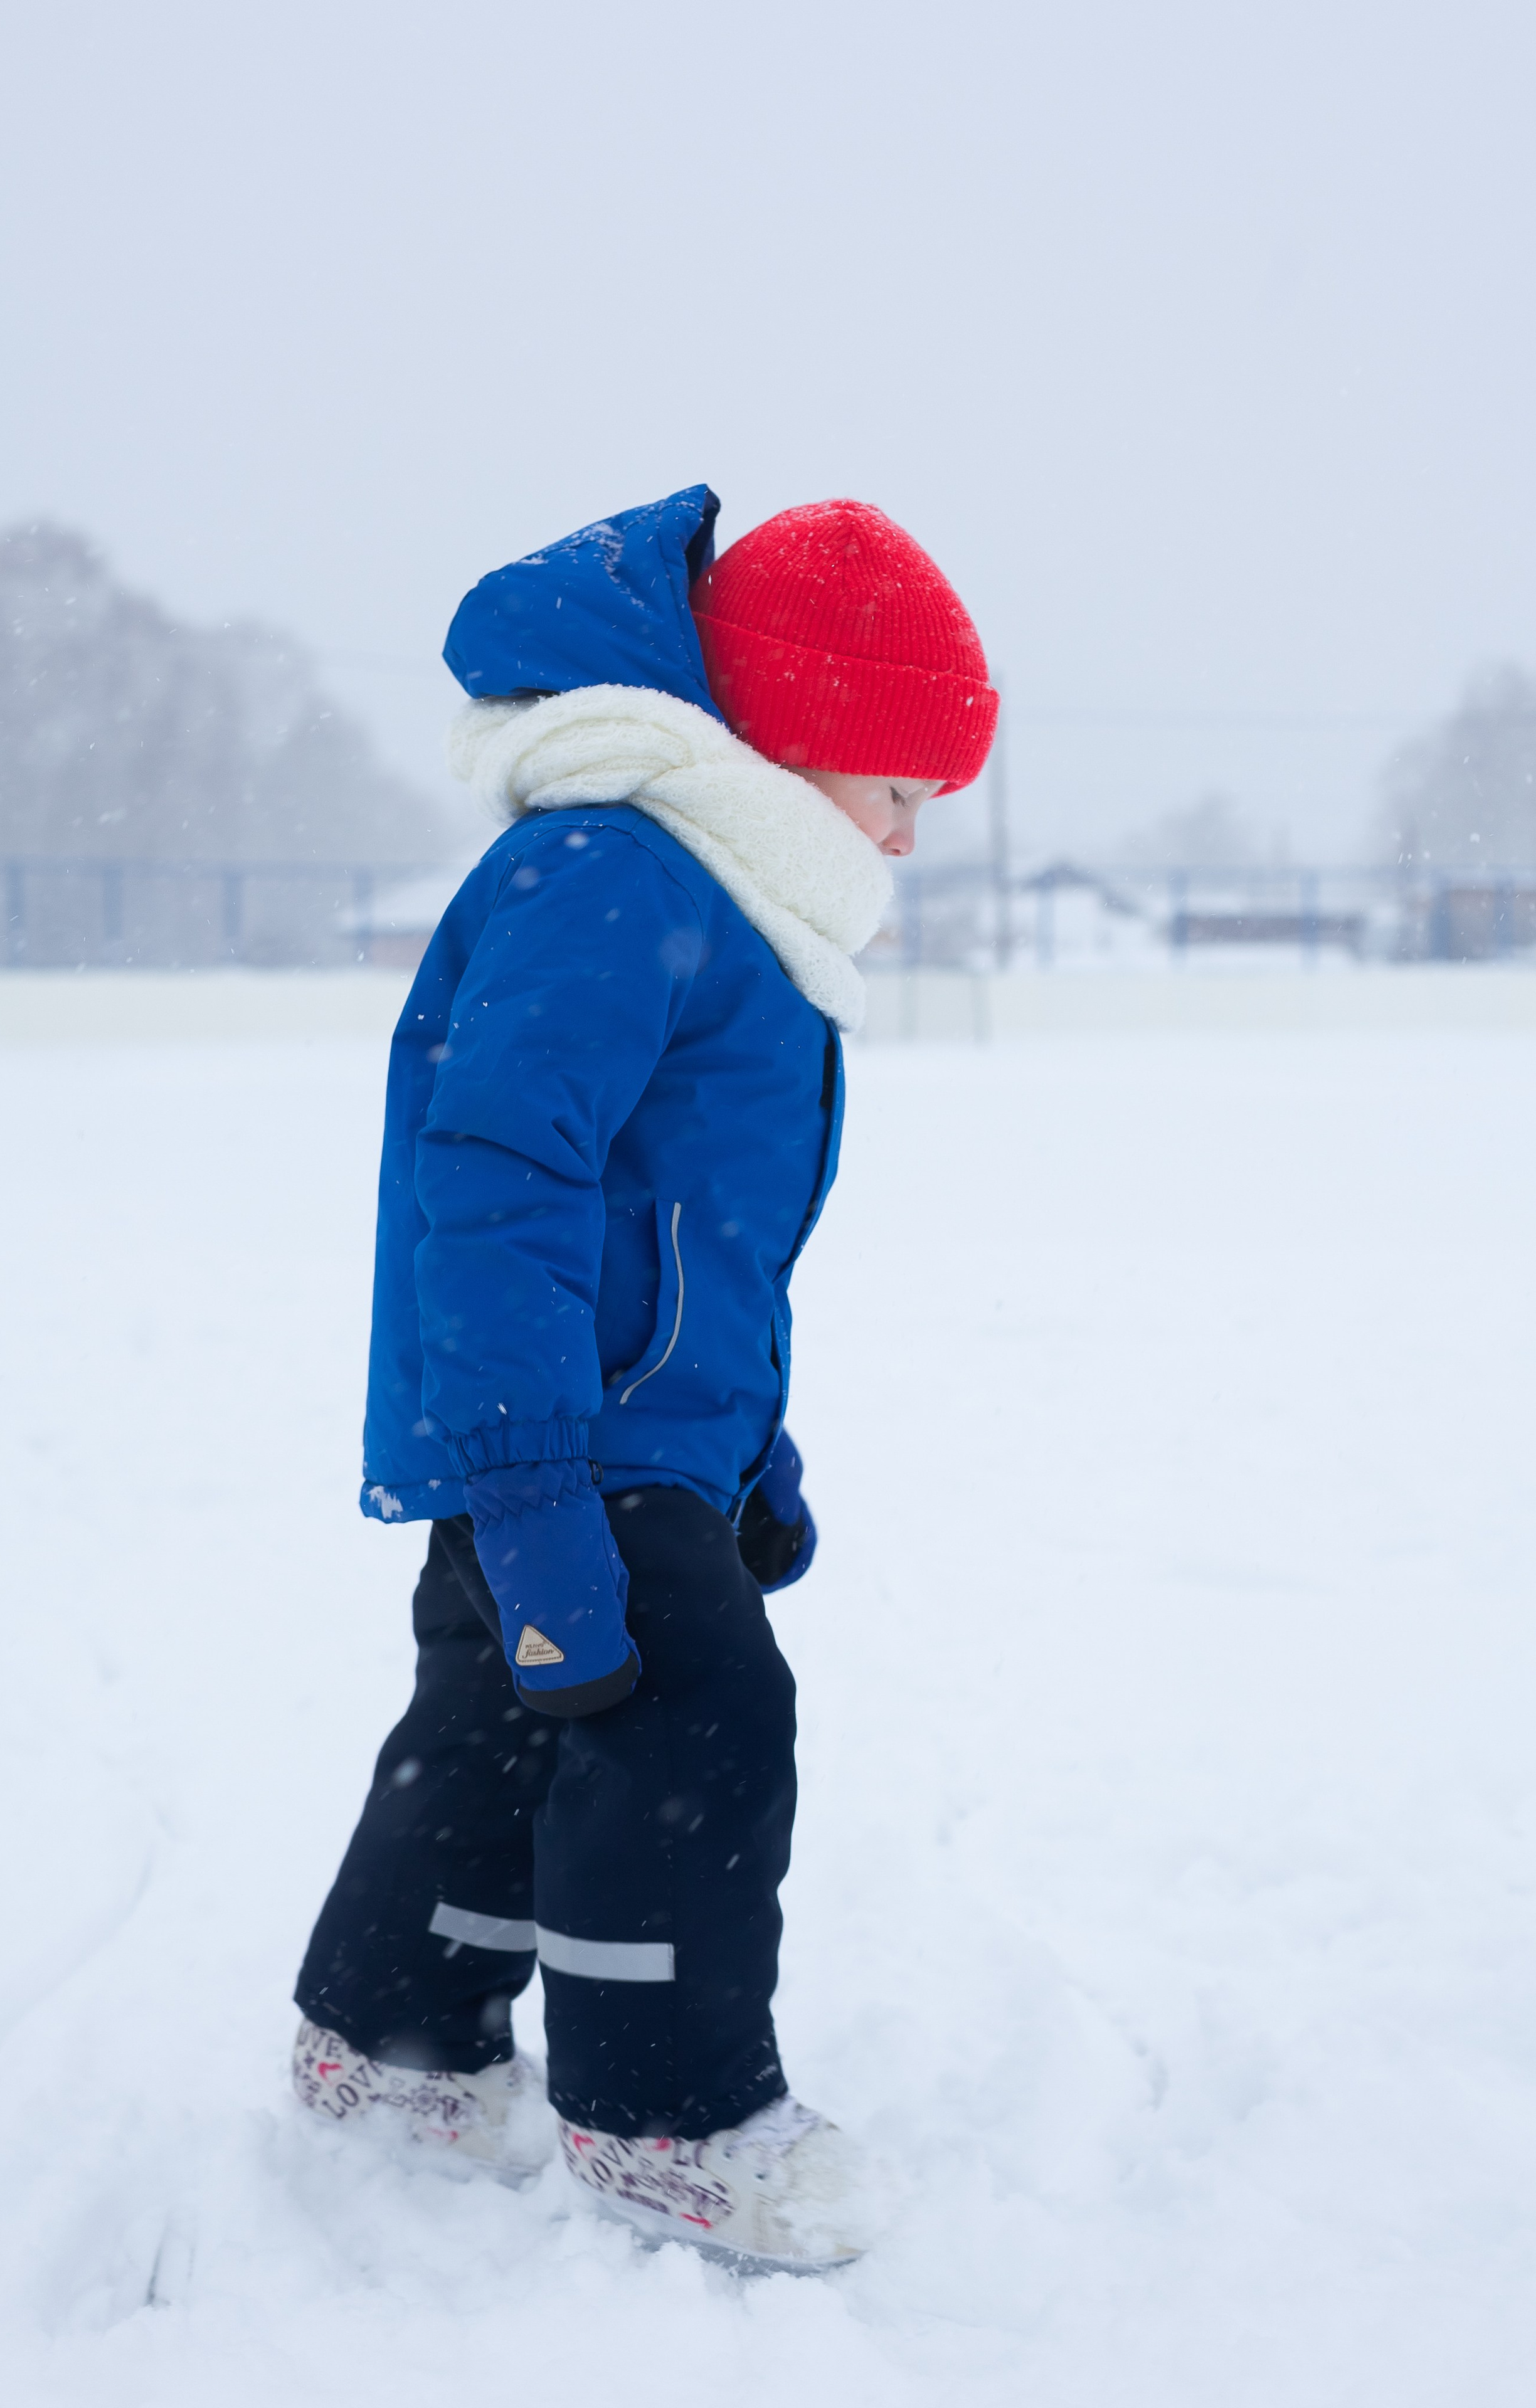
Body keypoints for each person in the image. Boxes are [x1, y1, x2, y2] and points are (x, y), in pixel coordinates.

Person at [291, 485, 997, 2270]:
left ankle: (394, 2043)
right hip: (563, 1438)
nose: (910, 842)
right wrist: (536, 1480)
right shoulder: (617, 872)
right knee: (694, 1723)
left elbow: (677, 1231)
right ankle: (669, 2116)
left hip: (612, 1436)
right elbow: (502, 1183)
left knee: (504, 1727)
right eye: (904, 791)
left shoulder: (705, 896)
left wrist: (744, 1450)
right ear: (811, 740)